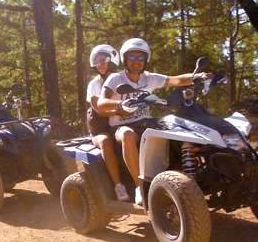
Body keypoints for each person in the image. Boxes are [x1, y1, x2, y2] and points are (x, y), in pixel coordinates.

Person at [97, 38, 211, 206]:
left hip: (146, 123)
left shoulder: (150, 78)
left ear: (146, 59)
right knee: (128, 134)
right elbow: (101, 103)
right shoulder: (115, 78)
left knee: (178, 127)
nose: (136, 61)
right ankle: (139, 186)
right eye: (132, 57)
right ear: (125, 59)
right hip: (121, 125)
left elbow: (176, 80)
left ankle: (186, 177)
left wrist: (197, 77)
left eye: (140, 57)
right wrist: (120, 104)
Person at [86, 44, 128, 202]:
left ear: (111, 60)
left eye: (103, 59)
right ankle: (118, 185)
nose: (100, 64)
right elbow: (98, 109)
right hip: (101, 129)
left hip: (121, 124)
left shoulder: (122, 79)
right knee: (105, 141)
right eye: (97, 61)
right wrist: (119, 111)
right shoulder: (94, 84)